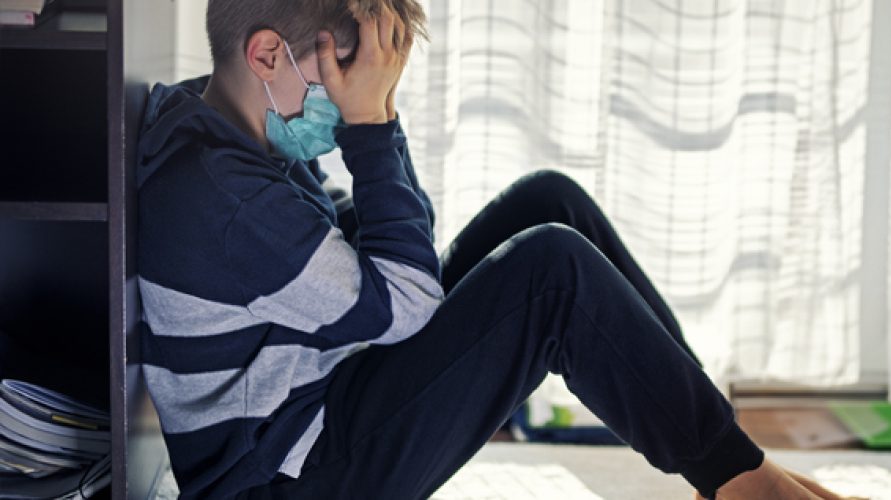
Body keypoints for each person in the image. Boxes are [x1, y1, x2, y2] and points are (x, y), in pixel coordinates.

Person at [135, 0, 854, 498]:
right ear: (268, 54)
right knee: (552, 272)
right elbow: (409, 301)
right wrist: (372, 127)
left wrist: (374, 117)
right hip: (290, 476)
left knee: (548, 199)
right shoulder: (227, 198)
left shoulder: (227, 122)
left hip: (320, 389)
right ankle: (743, 482)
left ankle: (716, 463)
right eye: (345, 83)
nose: (349, 105)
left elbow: (377, 239)